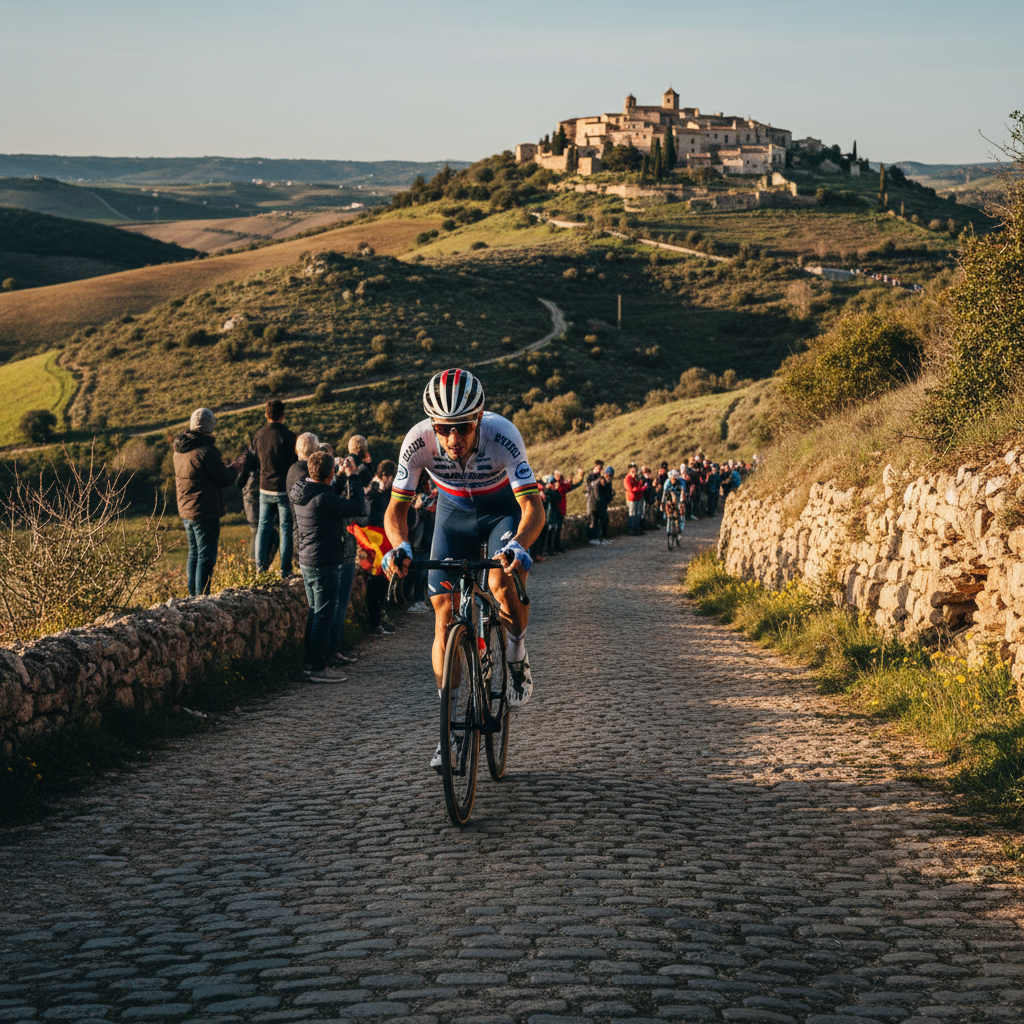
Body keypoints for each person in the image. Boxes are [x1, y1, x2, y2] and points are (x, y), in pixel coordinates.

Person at [381, 368, 544, 771]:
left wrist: (520, 545)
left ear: (479, 419)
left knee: (501, 581)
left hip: (501, 513)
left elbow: (533, 508)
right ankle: (450, 733)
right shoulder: (417, 441)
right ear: (432, 425)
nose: (453, 438)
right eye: (443, 429)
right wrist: (399, 545)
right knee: (443, 616)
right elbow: (395, 510)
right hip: (453, 517)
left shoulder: (503, 434)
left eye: (464, 428)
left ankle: (516, 653)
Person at [290, 451, 366, 683]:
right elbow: (357, 506)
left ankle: (310, 663)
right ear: (330, 472)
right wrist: (353, 476)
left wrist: (340, 477)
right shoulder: (324, 499)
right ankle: (318, 668)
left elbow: (328, 492)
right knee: (323, 615)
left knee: (315, 611)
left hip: (308, 560)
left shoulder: (301, 490)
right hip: (324, 561)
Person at [172, 407, 245, 597]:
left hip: (186, 510)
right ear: (210, 427)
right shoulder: (206, 452)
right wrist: (238, 465)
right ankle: (202, 598)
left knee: (194, 553)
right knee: (206, 557)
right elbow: (225, 479)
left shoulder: (179, 450)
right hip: (204, 511)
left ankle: (192, 597)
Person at [253, 399, 298, 577]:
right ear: (283, 415)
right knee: (286, 528)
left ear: (266, 415)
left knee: (263, 528)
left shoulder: (259, 435)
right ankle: (285, 569)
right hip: (284, 488)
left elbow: (255, 460)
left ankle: (260, 569)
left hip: (265, 487)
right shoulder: (290, 437)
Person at [549, 468, 584, 553]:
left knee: (557, 529)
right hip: (555, 510)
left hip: (560, 509)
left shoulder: (562, 484)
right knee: (553, 529)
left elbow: (571, 485)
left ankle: (556, 547)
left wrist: (579, 478)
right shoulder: (555, 484)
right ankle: (552, 548)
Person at [593, 466, 614, 544]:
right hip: (598, 504)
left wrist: (609, 498)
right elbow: (597, 494)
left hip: (604, 504)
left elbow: (609, 492)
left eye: (611, 476)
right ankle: (599, 538)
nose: (610, 477)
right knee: (599, 522)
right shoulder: (600, 482)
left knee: (605, 521)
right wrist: (602, 500)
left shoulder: (609, 482)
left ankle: (604, 537)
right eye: (609, 475)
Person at [585, 460, 605, 544]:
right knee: (593, 520)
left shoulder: (601, 477)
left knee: (599, 520)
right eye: (598, 468)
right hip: (592, 500)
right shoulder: (591, 477)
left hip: (599, 501)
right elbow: (589, 486)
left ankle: (599, 537)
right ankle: (592, 538)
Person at [624, 463, 646, 535]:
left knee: (637, 513)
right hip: (631, 498)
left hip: (637, 498)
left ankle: (637, 528)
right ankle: (631, 529)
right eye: (633, 471)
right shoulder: (627, 479)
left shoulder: (634, 478)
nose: (635, 472)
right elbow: (630, 489)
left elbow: (636, 486)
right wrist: (641, 489)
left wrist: (640, 484)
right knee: (632, 514)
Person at [662, 469, 684, 536]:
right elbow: (665, 494)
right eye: (672, 479)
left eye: (675, 479)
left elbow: (682, 492)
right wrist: (662, 503)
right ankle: (668, 527)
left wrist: (681, 502)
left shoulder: (680, 482)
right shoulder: (667, 483)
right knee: (668, 508)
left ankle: (681, 524)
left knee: (681, 508)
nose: (674, 481)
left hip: (678, 494)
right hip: (669, 495)